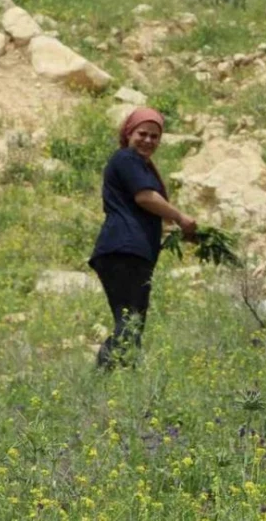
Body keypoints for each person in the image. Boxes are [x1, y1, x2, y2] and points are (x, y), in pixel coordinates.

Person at [89, 108, 196, 370]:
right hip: (124, 251)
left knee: (131, 321)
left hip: (128, 251)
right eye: (142, 134)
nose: (148, 140)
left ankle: (117, 376)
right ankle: (108, 377)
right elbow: (144, 197)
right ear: (129, 134)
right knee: (130, 321)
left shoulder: (138, 164)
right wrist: (181, 218)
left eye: (154, 136)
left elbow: (140, 208)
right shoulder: (127, 158)